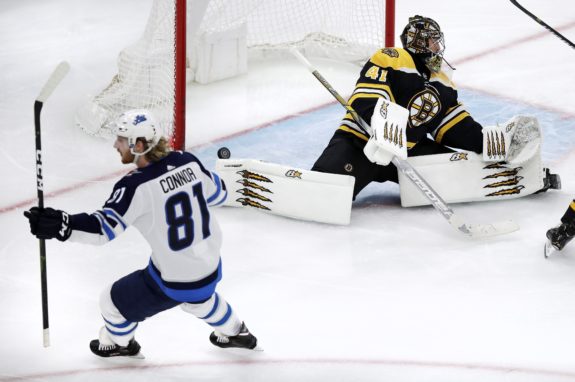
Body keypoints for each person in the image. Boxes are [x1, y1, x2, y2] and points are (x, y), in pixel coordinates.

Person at [23, 109, 258, 357]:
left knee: (110, 302)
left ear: (140, 145)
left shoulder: (135, 185)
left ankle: (121, 345)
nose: (116, 144)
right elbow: (219, 192)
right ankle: (236, 331)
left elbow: (103, 229)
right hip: (211, 267)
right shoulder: (187, 161)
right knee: (199, 297)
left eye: (122, 140)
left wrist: (63, 224)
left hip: (176, 280)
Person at [311, 15, 558, 200]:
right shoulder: (391, 58)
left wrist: (487, 142)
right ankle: (319, 184)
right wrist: (383, 126)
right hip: (361, 143)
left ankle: (513, 178)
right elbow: (367, 96)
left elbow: (452, 126)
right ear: (418, 42)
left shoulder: (441, 79)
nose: (438, 48)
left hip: (406, 153)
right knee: (325, 193)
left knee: (458, 167)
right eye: (433, 41)